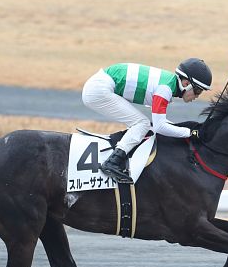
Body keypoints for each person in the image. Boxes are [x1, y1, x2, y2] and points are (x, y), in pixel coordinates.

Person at [82, 58, 212, 183]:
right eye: (198, 90)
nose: (197, 96)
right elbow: (160, 127)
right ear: (186, 84)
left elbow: (160, 123)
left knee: (144, 125)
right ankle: (112, 162)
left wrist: (188, 132)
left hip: (100, 84)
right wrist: (191, 133)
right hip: (98, 90)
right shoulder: (165, 89)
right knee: (142, 124)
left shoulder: (168, 84)